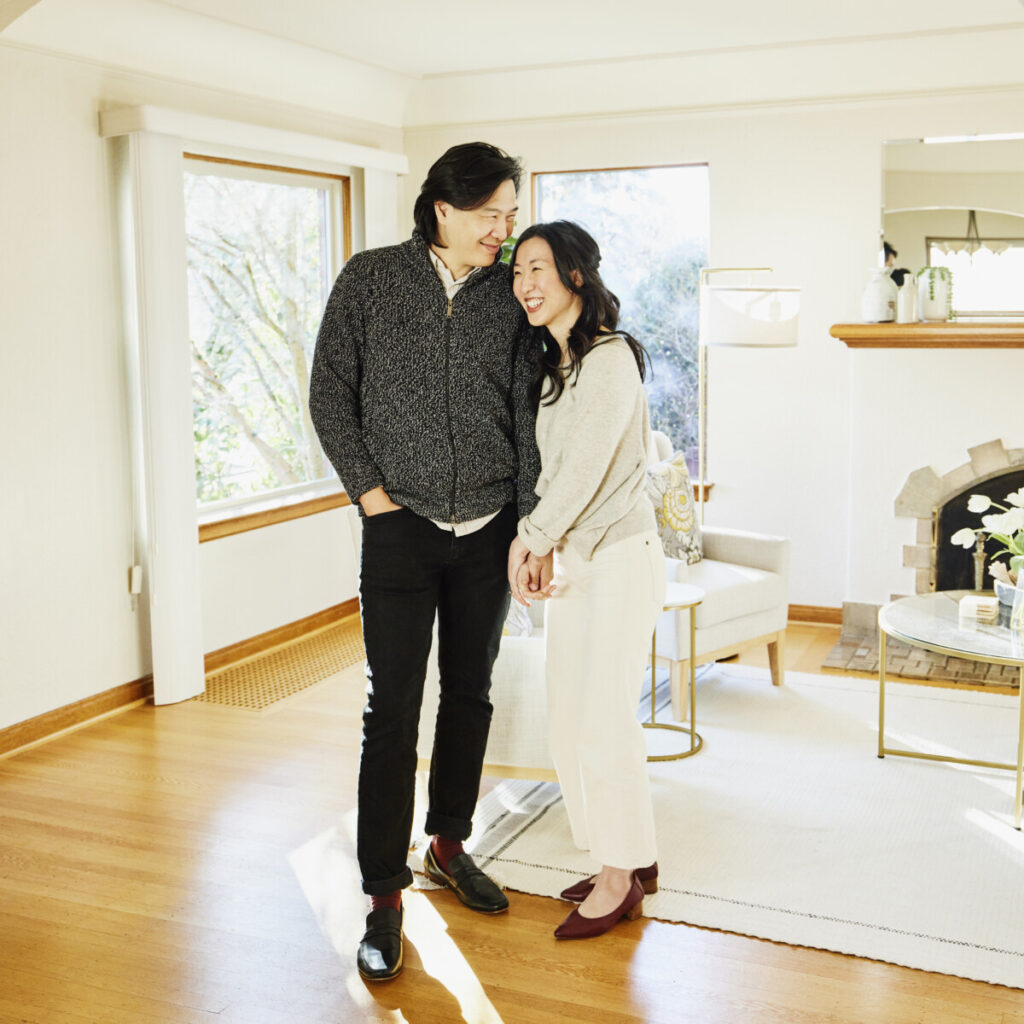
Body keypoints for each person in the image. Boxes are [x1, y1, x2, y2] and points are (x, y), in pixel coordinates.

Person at [308, 142, 540, 982]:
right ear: (443, 205)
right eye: (492, 215)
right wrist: (370, 494)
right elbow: (329, 390)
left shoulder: (512, 293)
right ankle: (382, 894)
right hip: (398, 526)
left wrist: (528, 517)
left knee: (471, 693)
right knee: (391, 709)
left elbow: (529, 405)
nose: (504, 230)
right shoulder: (370, 279)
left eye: (511, 215)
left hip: (489, 525)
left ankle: (449, 841)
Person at [506, 220, 666, 940]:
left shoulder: (608, 360)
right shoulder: (556, 368)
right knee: (568, 719)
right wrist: (544, 546)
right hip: (576, 561)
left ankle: (619, 877)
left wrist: (529, 539)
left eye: (537, 267)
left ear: (575, 274)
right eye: (516, 273)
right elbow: (550, 476)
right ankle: (629, 854)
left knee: (603, 719)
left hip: (622, 558)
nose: (525, 284)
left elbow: (588, 467)